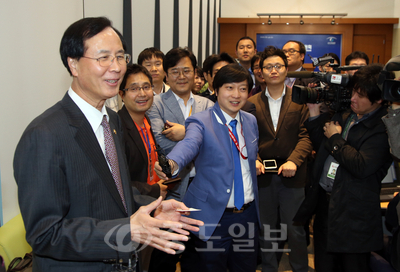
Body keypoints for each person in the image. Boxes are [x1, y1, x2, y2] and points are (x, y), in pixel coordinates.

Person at [13, 17, 202, 272]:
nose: (116, 67)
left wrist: (153, 208)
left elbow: (113, 195)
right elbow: (45, 233)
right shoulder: (44, 134)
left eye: (121, 56)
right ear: (74, 65)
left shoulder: (111, 120)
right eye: (103, 58)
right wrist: (125, 231)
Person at [156, 63, 261, 272]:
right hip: (215, 216)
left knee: (246, 267)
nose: (236, 94)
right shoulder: (200, 121)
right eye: (229, 88)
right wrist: (172, 164)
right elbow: (189, 144)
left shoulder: (250, 121)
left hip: (247, 214)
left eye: (242, 88)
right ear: (216, 89)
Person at [294, 64, 393, 272]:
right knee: (324, 265)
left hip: (354, 214)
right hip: (328, 206)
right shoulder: (346, 114)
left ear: (379, 99)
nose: (354, 98)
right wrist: (314, 112)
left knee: (352, 267)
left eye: (361, 95)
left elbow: (362, 165)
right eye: (354, 91)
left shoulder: (383, 128)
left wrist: (336, 138)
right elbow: (324, 146)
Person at [248, 46, 312, 272]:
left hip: (293, 176)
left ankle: (300, 268)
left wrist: (294, 160)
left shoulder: (300, 99)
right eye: (268, 67)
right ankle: (268, 268)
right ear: (261, 72)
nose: (273, 71)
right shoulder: (251, 103)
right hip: (262, 175)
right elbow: (246, 137)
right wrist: (253, 158)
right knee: (266, 229)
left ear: (286, 70)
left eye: (278, 66)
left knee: (295, 229)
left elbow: (306, 135)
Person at [118, 64, 167, 199]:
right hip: (136, 204)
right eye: (134, 88)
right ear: (122, 94)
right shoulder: (117, 128)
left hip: (154, 200)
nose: (142, 94)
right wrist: (153, 190)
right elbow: (120, 181)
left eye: (146, 87)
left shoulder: (146, 121)